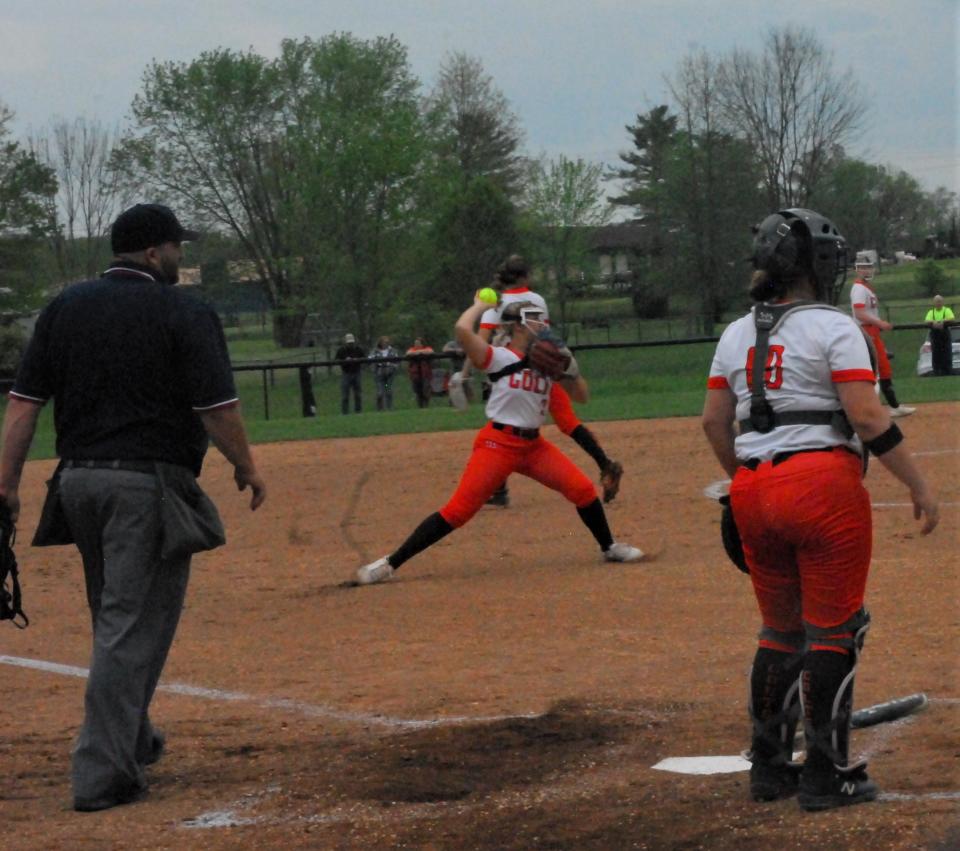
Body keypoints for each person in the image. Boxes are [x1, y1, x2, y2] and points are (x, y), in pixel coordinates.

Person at [0, 203, 267, 812]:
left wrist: (7, 484)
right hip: (144, 486)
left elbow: (23, 404)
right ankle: (102, 774)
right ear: (153, 253)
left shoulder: (65, 306)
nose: (181, 257)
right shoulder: (182, 309)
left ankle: (135, 736)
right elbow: (217, 410)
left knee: (115, 614)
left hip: (77, 486)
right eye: (176, 247)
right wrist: (246, 467)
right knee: (133, 622)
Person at [702, 208, 938, 812]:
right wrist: (917, 484)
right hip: (822, 484)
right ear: (816, 265)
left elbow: (714, 422)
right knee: (836, 630)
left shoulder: (734, 332)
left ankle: (771, 769)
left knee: (780, 631)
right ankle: (826, 776)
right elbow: (866, 416)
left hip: (751, 487)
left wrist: (751, 483)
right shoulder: (835, 327)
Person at [355, 298, 644, 587]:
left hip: (534, 448)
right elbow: (461, 330)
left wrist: (570, 371)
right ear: (517, 327)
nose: (542, 327)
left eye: (543, 321)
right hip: (498, 444)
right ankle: (390, 563)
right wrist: (480, 306)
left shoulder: (546, 366)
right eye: (534, 321)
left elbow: (578, 405)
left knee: (582, 490)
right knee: (459, 511)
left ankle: (609, 547)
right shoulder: (501, 357)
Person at [465, 255, 623, 506]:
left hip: (510, 369)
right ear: (526, 276)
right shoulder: (537, 300)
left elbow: (481, 340)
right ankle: (605, 464)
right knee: (568, 422)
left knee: (504, 423)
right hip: (542, 370)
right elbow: (543, 336)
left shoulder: (497, 303)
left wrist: (467, 372)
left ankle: (499, 491)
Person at [850, 260, 915, 417]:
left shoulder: (865, 287)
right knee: (875, 370)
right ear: (856, 270)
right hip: (866, 331)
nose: (866, 270)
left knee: (884, 369)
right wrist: (879, 322)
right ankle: (872, 408)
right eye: (862, 268)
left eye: (868, 267)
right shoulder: (858, 288)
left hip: (872, 331)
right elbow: (859, 313)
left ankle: (893, 406)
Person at [924, 294, 955, 376]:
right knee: (936, 354)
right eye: (937, 302)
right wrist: (933, 322)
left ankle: (948, 371)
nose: (938, 303)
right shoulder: (931, 312)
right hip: (935, 336)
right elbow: (927, 320)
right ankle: (937, 371)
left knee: (947, 353)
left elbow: (952, 318)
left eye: (940, 301)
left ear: (943, 302)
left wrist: (943, 321)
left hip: (945, 335)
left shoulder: (947, 310)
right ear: (934, 303)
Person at [335, 333, 365, 414]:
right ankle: (345, 412)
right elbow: (337, 360)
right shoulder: (341, 350)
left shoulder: (358, 349)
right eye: (349, 343)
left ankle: (358, 411)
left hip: (357, 373)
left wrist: (357, 360)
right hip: (346, 373)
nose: (350, 344)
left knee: (358, 394)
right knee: (345, 395)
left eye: (352, 343)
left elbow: (364, 358)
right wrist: (345, 361)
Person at [369, 336, 400, 410]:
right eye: (384, 342)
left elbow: (397, 361)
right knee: (380, 392)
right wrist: (373, 368)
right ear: (381, 342)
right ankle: (379, 408)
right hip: (379, 376)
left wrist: (393, 367)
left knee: (388, 390)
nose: (386, 343)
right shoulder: (375, 351)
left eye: (387, 342)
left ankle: (389, 407)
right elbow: (369, 359)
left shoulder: (392, 351)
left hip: (388, 376)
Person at [406, 337, 434, 408]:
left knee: (425, 389)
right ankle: (420, 406)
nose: (416, 344)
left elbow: (431, 351)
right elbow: (408, 353)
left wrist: (420, 352)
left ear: (422, 344)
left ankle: (426, 405)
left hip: (426, 374)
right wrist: (417, 352)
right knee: (417, 390)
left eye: (418, 343)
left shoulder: (427, 348)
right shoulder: (412, 349)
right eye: (415, 343)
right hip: (415, 375)